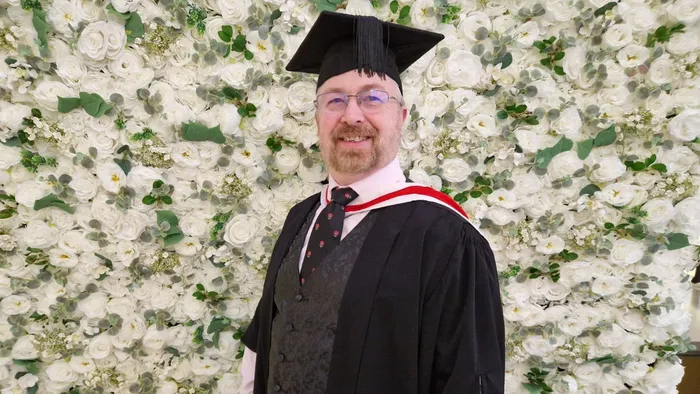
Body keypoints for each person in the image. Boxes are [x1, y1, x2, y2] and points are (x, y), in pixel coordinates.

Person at [238, 11, 505, 394]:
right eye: (334, 100)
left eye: (373, 98)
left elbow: (469, 378)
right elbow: (266, 337)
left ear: (402, 116)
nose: (351, 115)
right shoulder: (301, 217)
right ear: (317, 117)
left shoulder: (448, 237)